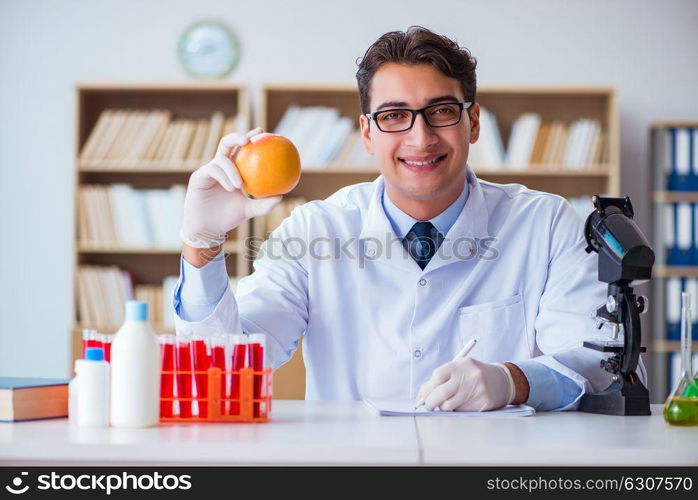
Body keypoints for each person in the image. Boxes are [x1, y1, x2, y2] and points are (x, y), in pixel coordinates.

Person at [174, 26, 645, 412]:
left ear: (473, 122)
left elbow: (598, 364)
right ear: (366, 132)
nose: (420, 138)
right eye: (395, 115)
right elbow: (223, 370)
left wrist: (512, 381)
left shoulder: (548, 224)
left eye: (440, 111)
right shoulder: (313, 231)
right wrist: (203, 245)